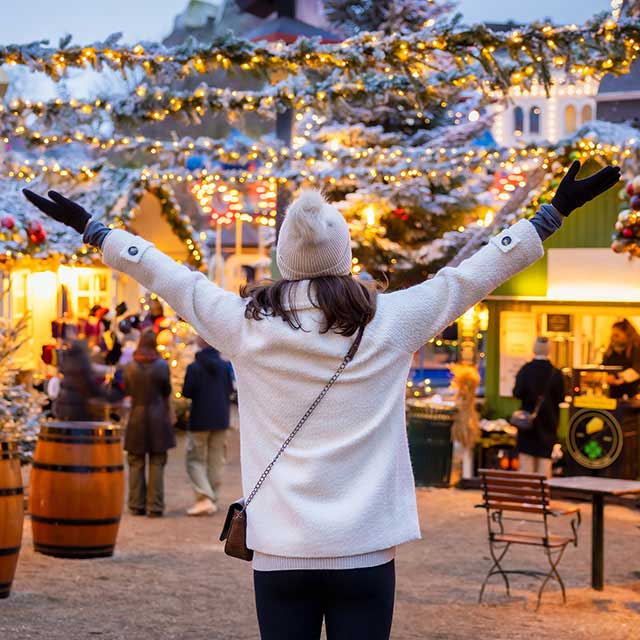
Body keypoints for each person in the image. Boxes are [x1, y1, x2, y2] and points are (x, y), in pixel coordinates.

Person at [23, 160, 620, 639]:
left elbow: (170, 276)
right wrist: (551, 213)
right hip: (365, 546)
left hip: (281, 548)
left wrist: (95, 229)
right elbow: (470, 276)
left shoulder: (245, 325)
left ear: (284, 257)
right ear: (346, 257)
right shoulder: (391, 320)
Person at [123, 330, 175, 517]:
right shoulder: (162, 366)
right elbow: (166, 390)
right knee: (157, 462)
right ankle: (155, 505)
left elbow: (127, 389)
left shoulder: (129, 366)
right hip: (158, 416)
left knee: (136, 462)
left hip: (137, 417)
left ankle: (136, 504)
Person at [182, 336, 234, 516]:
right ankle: (211, 498)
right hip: (221, 418)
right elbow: (230, 390)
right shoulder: (225, 367)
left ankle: (204, 497)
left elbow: (187, 392)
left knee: (195, 459)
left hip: (199, 419)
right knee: (216, 460)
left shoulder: (193, 367)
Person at [513, 337, 565, 478]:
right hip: (548, 425)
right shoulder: (556, 374)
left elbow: (517, 393)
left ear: (534, 349)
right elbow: (561, 398)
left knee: (526, 465)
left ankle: (527, 498)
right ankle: (541, 498)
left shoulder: (526, 370)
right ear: (549, 350)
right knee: (544, 466)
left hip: (527, 425)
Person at [53, 340, 106, 420]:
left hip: (65, 410)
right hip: (79, 410)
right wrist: (104, 394)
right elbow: (91, 386)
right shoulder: (83, 363)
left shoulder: (68, 363)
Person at [603, 318, 640, 399]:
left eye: (617, 335)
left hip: (634, 395)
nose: (613, 338)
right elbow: (604, 366)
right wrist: (608, 376)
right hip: (613, 395)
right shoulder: (611, 350)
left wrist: (620, 378)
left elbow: (638, 369)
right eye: (612, 335)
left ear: (627, 334)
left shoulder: (636, 348)